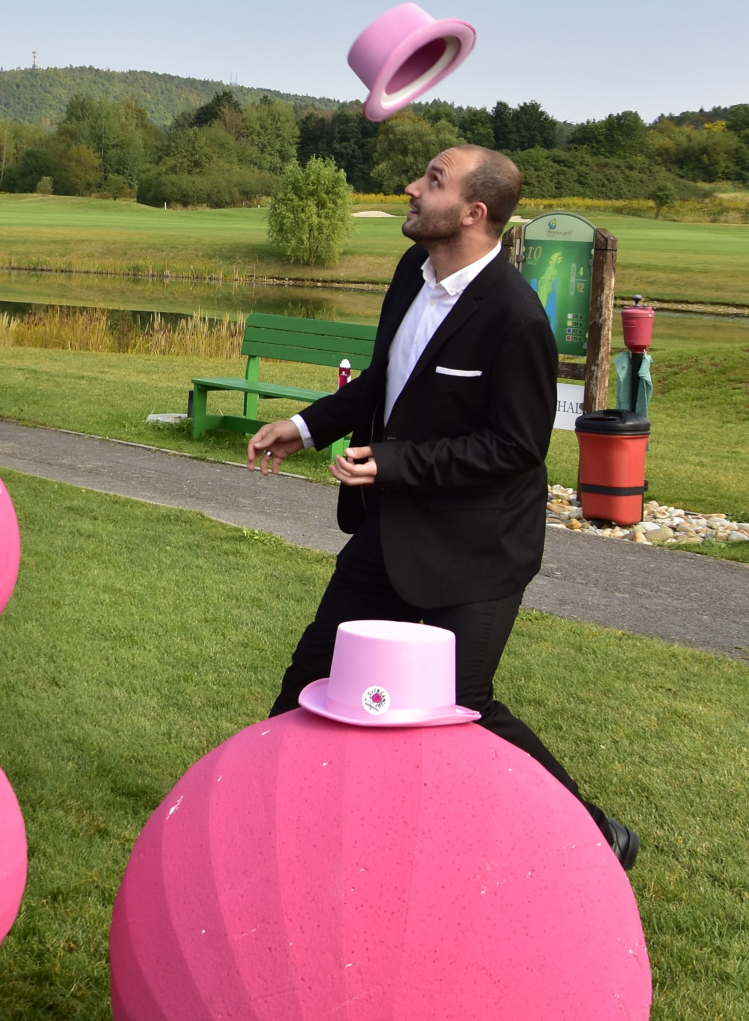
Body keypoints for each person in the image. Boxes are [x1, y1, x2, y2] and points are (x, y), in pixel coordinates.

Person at [247, 144, 639, 870]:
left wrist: (395, 463)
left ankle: (597, 833)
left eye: (432, 181)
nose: (411, 188)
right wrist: (306, 425)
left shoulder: (516, 319)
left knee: (464, 702)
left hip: (478, 546)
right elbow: (386, 381)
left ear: (472, 212)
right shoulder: (411, 272)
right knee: (318, 672)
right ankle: (265, 813)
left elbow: (515, 447)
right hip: (393, 527)